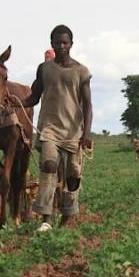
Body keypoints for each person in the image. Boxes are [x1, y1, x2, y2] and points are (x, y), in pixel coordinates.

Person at [22, 25, 92, 232]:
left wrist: (86, 134)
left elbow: (88, 106)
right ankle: (46, 218)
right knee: (49, 166)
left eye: (65, 42)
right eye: (57, 42)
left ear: (71, 44)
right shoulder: (44, 69)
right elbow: (34, 97)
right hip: (49, 128)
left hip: (73, 131)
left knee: (72, 176)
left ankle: (67, 216)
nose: (61, 46)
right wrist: (17, 103)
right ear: (51, 43)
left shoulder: (81, 71)